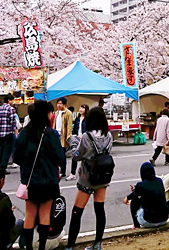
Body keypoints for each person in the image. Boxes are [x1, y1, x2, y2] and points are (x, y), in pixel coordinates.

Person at [14, 100, 64, 250]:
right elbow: (60, 157)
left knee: (29, 214)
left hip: (30, 181)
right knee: (45, 214)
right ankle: (41, 247)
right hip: (49, 180)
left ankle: (29, 247)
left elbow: (16, 158)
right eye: (50, 112)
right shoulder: (51, 134)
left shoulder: (24, 134)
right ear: (45, 114)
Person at [66, 107, 113, 250]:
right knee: (99, 210)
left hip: (87, 176)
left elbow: (77, 155)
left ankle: (70, 245)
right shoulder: (109, 135)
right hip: (103, 177)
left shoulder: (87, 136)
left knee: (77, 211)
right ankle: (97, 243)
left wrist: (74, 143)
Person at [123, 162, 168, 228]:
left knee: (134, 202)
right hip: (164, 219)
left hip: (149, 221)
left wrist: (127, 197)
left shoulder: (140, 185)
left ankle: (136, 225)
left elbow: (135, 196)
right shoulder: (159, 181)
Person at [0, 94, 18, 173]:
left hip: (0, 132)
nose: (13, 102)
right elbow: (13, 121)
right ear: (9, 100)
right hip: (8, 132)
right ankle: (3, 167)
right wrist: (15, 131)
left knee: (1, 149)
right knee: (7, 150)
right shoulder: (11, 109)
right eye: (12, 100)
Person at [66, 104, 88, 181]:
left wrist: (84, 136)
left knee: (85, 157)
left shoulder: (87, 119)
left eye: (83, 108)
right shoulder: (77, 119)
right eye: (80, 107)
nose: (81, 109)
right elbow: (75, 129)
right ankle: (72, 173)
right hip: (77, 139)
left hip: (85, 139)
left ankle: (85, 173)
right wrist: (73, 135)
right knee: (74, 155)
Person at [53, 97, 73, 178]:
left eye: (60, 103)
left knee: (62, 154)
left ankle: (63, 171)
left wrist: (68, 135)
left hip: (63, 135)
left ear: (64, 104)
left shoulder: (68, 113)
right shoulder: (57, 113)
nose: (58, 105)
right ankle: (57, 170)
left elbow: (69, 125)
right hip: (56, 134)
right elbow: (54, 124)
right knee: (56, 153)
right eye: (57, 103)